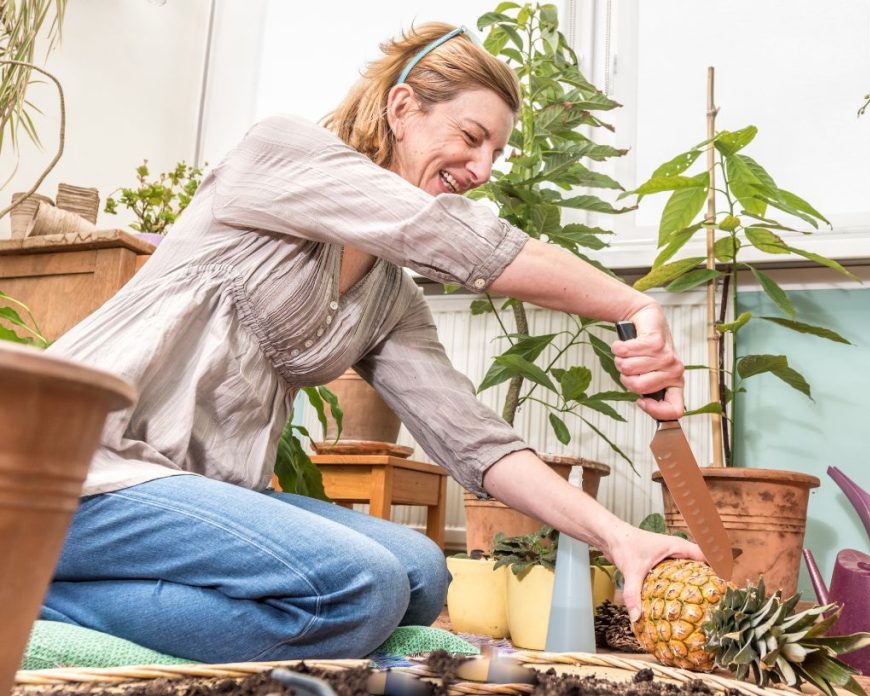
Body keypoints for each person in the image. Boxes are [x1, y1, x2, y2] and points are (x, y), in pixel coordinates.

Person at [44, 22, 702, 662]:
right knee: (361, 585)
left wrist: (618, 539)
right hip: (79, 467)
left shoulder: (388, 297)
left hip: (196, 492)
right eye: (471, 138)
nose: (481, 169)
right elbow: (449, 235)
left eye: (495, 155)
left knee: (421, 572)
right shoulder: (277, 154)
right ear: (402, 106)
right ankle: (35, 592)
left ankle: (82, 588)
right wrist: (630, 300)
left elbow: (475, 440)